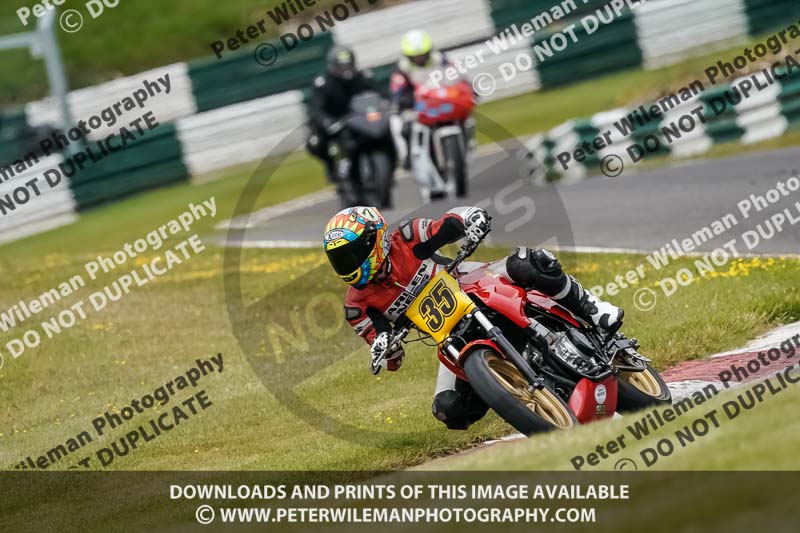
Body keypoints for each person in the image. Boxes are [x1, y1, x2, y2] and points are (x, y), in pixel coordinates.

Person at [323, 206, 624, 431]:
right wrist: (384, 347)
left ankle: (594, 309)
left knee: (527, 262)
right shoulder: (357, 305)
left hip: (474, 281)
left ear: (374, 241)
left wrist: (471, 218)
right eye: (339, 259)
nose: (346, 265)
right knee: (449, 409)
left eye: (350, 254)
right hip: (450, 337)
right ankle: (515, 394)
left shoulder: (408, 237)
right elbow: (391, 358)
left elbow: (448, 224)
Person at [306, 46, 378, 182]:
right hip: (334, 123)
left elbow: (377, 96)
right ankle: (331, 166)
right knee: (315, 143)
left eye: (348, 65)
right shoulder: (323, 83)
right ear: (333, 66)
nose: (346, 70)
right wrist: (326, 121)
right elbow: (315, 109)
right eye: (341, 66)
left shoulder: (363, 78)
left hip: (359, 120)